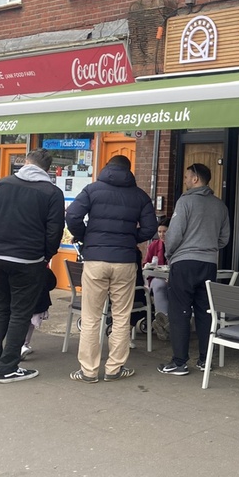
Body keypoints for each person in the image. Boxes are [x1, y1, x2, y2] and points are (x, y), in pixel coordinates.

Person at [66, 155, 157, 383]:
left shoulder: (92, 190)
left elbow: (73, 215)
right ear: (129, 170)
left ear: (107, 168)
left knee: (91, 317)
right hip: (125, 261)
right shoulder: (139, 195)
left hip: (95, 259)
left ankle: (88, 370)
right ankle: (114, 369)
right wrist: (129, 238)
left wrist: (85, 236)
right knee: (121, 316)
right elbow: (150, 228)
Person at [0, 149, 65, 383]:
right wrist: (45, 255)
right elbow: (54, 231)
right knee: (20, 312)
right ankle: (8, 368)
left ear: (26, 163)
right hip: (28, 260)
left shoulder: (2, 184)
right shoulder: (52, 193)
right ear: (47, 169)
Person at [159, 163, 230, 376]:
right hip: (209, 264)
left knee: (179, 311)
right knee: (205, 311)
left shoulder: (185, 201)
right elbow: (224, 239)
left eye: (188, 176)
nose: (186, 180)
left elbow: (174, 234)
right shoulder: (220, 206)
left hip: (184, 263)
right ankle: (204, 360)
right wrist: (207, 247)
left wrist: (170, 254)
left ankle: (179, 362)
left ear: (196, 179)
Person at [21, 265, 57, 360]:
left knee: (20, 323)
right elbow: (52, 284)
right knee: (30, 325)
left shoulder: (20, 269)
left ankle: (22, 345)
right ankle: (22, 345)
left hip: (21, 302)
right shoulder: (44, 270)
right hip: (38, 303)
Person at [146, 218, 171, 340]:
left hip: (174, 280)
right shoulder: (153, 246)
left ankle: (162, 325)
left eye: (164, 231)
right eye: (159, 231)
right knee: (159, 285)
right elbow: (146, 265)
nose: (161, 234)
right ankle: (165, 320)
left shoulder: (178, 246)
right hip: (156, 279)